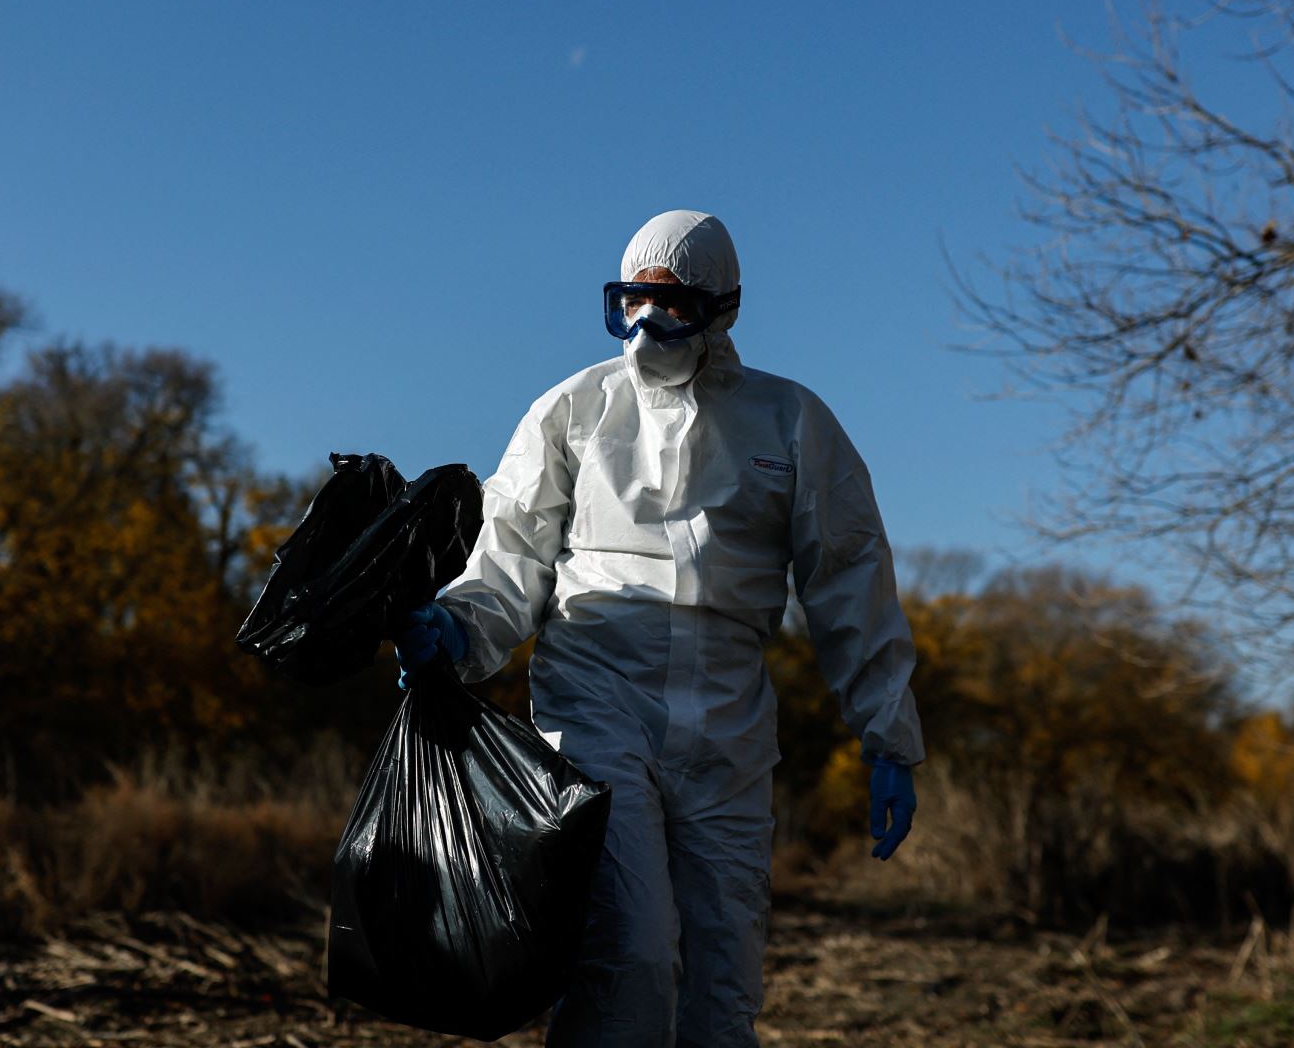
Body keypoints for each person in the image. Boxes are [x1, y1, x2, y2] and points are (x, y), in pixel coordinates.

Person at [393, 210, 924, 1047]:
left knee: (723, 986)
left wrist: (887, 732)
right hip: (597, 700)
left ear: (723, 309)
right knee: (629, 960)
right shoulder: (573, 411)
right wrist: (459, 630)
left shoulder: (789, 423)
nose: (646, 327)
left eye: (671, 306)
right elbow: (510, 556)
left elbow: (850, 575)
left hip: (730, 725)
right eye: (629, 303)